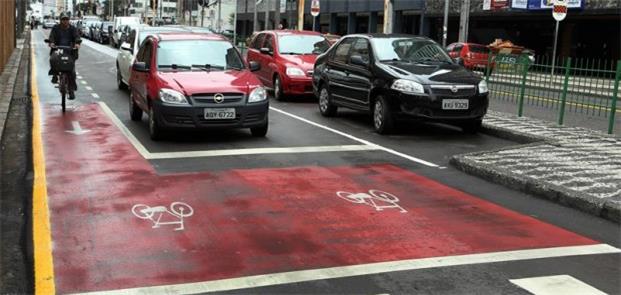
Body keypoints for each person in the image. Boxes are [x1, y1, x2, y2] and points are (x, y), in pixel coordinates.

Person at [48, 12, 81, 99]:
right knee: (52, 59)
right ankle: (55, 74)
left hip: (70, 51)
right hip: (58, 49)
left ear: (69, 20)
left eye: (66, 19)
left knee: (72, 72)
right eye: (63, 19)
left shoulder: (73, 29)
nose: (65, 21)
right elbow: (51, 37)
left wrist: (77, 44)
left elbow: (77, 37)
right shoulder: (56, 28)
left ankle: (71, 91)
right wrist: (51, 43)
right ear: (60, 20)